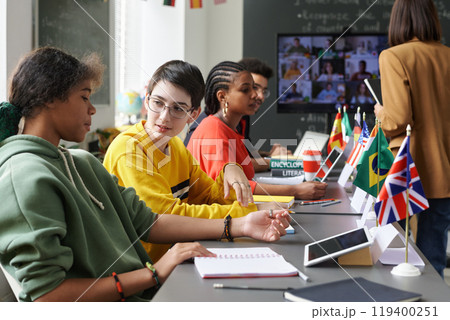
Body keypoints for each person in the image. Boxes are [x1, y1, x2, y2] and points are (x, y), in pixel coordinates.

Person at [0, 47, 291, 302]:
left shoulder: (80, 162)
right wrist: (152, 274)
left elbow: (147, 221)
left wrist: (241, 217)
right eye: (85, 97)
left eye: (178, 109)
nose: (91, 108)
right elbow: (46, 297)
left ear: (193, 112)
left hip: (146, 289)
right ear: (50, 97)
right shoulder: (25, 177)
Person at [104, 60, 278, 263]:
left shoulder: (175, 146)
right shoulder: (129, 149)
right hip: (141, 269)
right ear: (147, 100)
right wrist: (249, 212)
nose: (164, 117)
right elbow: (167, 216)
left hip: (175, 257)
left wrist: (229, 169)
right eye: (158, 103)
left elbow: (208, 195)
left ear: (193, 114)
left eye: (178, 109)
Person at [373, 0, 450, 277]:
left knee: (397, 261)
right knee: (434, 261)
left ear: (398, 19)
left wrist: (381, 112)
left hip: (410, 173)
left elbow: (397, 120)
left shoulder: (393, 56)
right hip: (445, 175)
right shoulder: (447, 55)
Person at [187, 61, 327, 200]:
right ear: (222, 96)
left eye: (254, 88)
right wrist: (295, 190)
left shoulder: (231, 130)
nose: (255, 95)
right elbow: (232, 188)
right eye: (245, 90)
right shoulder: (214, 129)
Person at [184, 57, 289, 172]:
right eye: (248, 89)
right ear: (223, 96)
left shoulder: (240, 118)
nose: (259, 96)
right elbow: (233, 167)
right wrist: (274, 161)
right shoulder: (211, 127)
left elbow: (242, 156)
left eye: (263, 91)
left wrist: (269, 155)